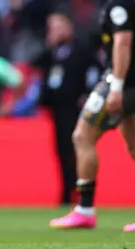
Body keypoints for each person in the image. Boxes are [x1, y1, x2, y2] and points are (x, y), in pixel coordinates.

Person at [50, 0, 135, 232]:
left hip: (122, 81)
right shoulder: (132, 0)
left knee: (82, 136)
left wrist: (115, 86)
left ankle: (85, 209)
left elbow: (122, 44)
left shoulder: (119, 4)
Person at [32, 12, 101, 204]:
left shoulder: (82, 51)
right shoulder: (51, 55)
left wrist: (88, 94)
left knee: (78, 149)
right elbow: (38, 71)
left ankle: (83, 192)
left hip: (77, 110)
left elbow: (95, 72)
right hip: (58, 110)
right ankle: (66, 191)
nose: (51, 33)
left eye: (54, 28)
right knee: (61, 151)